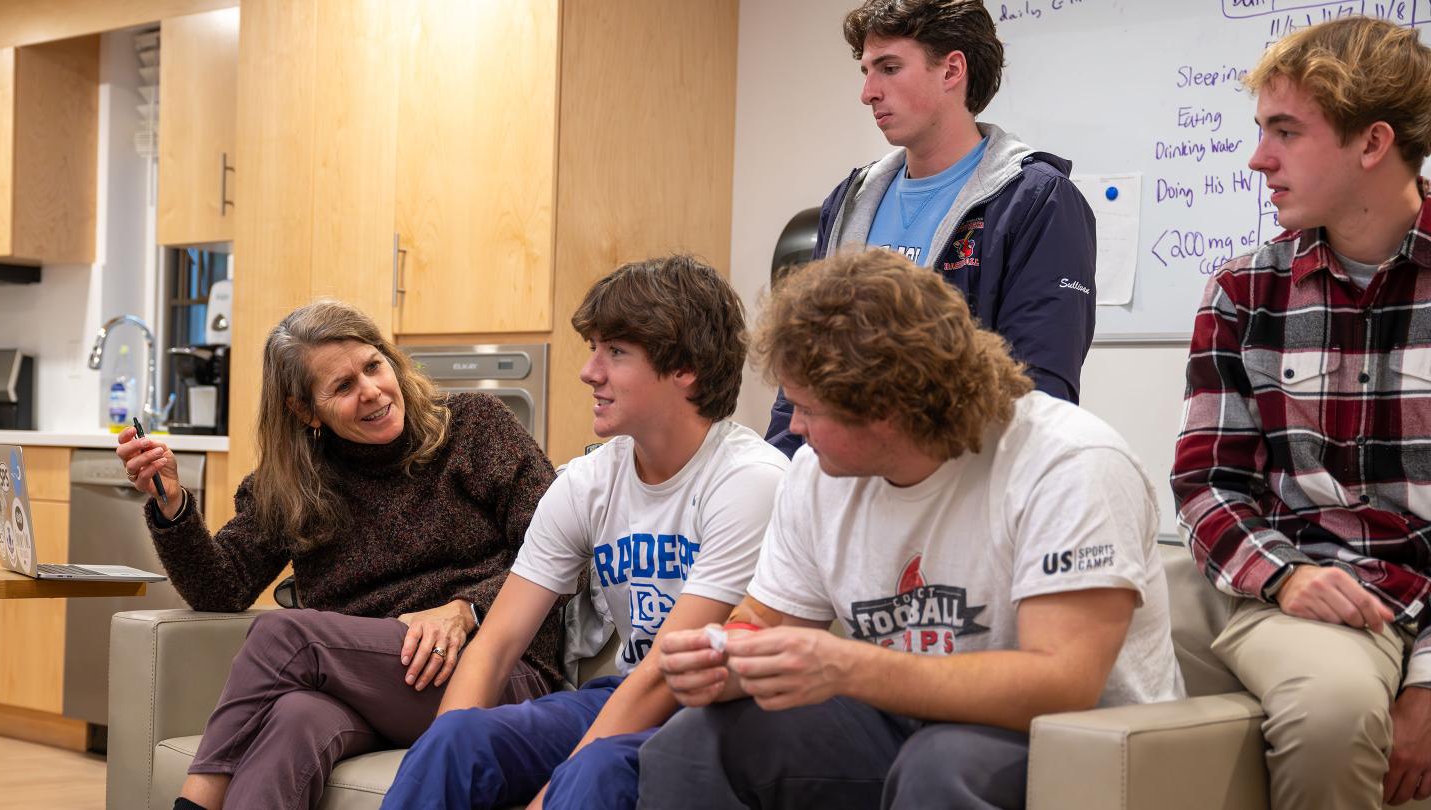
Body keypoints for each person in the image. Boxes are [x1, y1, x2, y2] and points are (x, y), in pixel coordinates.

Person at [641, 250, 1182, 810]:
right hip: (906, 724)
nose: (794, 427)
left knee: (941, 764)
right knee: (692, 742)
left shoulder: (1067, 463)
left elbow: (1062, 683)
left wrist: (848, 666)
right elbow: (763, 621)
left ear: (887, 409)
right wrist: (721, 662)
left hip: (1084, 743)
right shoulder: (815, 475)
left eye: (809, 409)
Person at [116, 300, 562, 810]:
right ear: (305, 410)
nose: (371, 391)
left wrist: (466, 609)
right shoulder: (293, 483)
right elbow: (220, 588)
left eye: (373, 366)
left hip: (493, 670)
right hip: (368, 685)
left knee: (284, 635)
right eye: (343, 387)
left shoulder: (476, 428)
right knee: (295, 718)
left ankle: (194, 802)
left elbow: (563, 552)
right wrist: (172, 506)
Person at [381, 255, 789, 810]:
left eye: (615, 352)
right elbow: (496, 646)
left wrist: (547, 797)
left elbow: (668, 670)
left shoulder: (749, 482)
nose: (589, 371)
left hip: (717, 713)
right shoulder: (588, 481)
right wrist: (443, 746)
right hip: (622, 692)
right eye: (593, 348)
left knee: (596, 769)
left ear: (685, 368)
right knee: (457, 740)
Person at [1171, 17, 1431, 810]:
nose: (1259, 158)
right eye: (1262, 131)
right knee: (1073, 642)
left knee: (1331, 716)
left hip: (1399, 599)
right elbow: (1207, 485)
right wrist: (1284, 576)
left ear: (1373, 142)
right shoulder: (1243, 290)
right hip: (1270, 575)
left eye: (1285, 132)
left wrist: (1427, 682)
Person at [764, 0, 1098, 456]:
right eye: (866, 71)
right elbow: (801, 378)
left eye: (889, 68)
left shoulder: (1037, 200)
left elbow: (1039, 395)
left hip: (964, 481)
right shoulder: (849, 200)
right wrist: (783, 475)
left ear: (952, 70)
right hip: (843, 485)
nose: (868, 92)